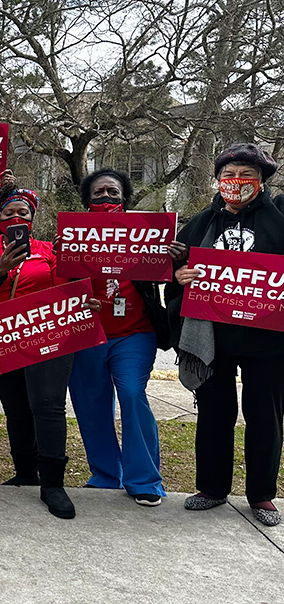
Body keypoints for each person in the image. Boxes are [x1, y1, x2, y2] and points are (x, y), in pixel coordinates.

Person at [167, 143, 284, 527]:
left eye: (246, 175)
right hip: (212, 339)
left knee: (264, 415)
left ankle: (262, 494)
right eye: (229, 174)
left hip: (266, 340)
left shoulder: (279, 220)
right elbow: (175, 271)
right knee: (214, 413)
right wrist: (179, 276)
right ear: (218, 180)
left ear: (262, 183)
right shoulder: (201, 223)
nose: (236, 182)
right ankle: (212, 487)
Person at [0, 170, 99, 520]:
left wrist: (84, 300)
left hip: (48, 335)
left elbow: (69, 283)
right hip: (2, 336)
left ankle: (53, 484)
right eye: (9, 214)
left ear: (33, 219)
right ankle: (26, 473)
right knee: (16, 408)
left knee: (48, 405)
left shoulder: (50, 251)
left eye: (23, 214)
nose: (16, 219)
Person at [65, 169, 170, 507]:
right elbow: (61, 283)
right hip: (87, 330)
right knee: (91, 403)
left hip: (134, 332)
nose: (106, 198)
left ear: (124, 196)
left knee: (131, 392)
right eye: (98, 193)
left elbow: (166, 270)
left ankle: (145, 480)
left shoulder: (147, 233)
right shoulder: (73, 235)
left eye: (112, 192)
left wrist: (174, 254)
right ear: (87, 200)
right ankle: (106, 475)